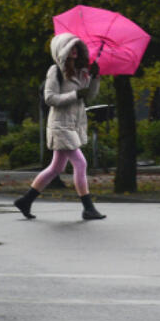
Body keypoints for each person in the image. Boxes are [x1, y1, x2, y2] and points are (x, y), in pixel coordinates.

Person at [14, 33, 105, 220]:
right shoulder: (55, 71)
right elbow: (50, 98)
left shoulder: (80, 72)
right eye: (71, 47)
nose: (75, 50)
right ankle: (88, 207)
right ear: (62, 50)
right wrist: (75, 95)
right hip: (60, 125)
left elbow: (89, 96)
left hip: (73, 123)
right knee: (81, 163)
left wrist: (95, 77)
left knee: (56, 168)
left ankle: (26, 200)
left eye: (77, 47)